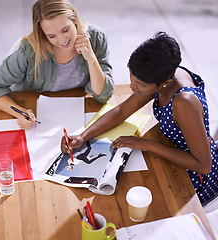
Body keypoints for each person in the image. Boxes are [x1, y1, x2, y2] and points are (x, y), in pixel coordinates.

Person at [61, 32, 218, 205]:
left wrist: (147, 145)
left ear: (164, 82)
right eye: (132, 77)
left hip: (194, 179)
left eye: (141, 85)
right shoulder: (164, 74)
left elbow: (203, 165)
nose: (132, 86)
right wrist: (84, 136)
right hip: (169, 150)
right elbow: (122, 110)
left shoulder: (184, 102)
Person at [0, 0, 114, 130]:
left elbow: (102, 95)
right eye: (52, 36)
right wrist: (21, 112)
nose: (62, 40)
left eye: (65, 30)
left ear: (74, 20)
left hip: (76, 111)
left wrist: (91, 58)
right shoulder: (29, 51)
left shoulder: (96, 38)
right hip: (36, 108)